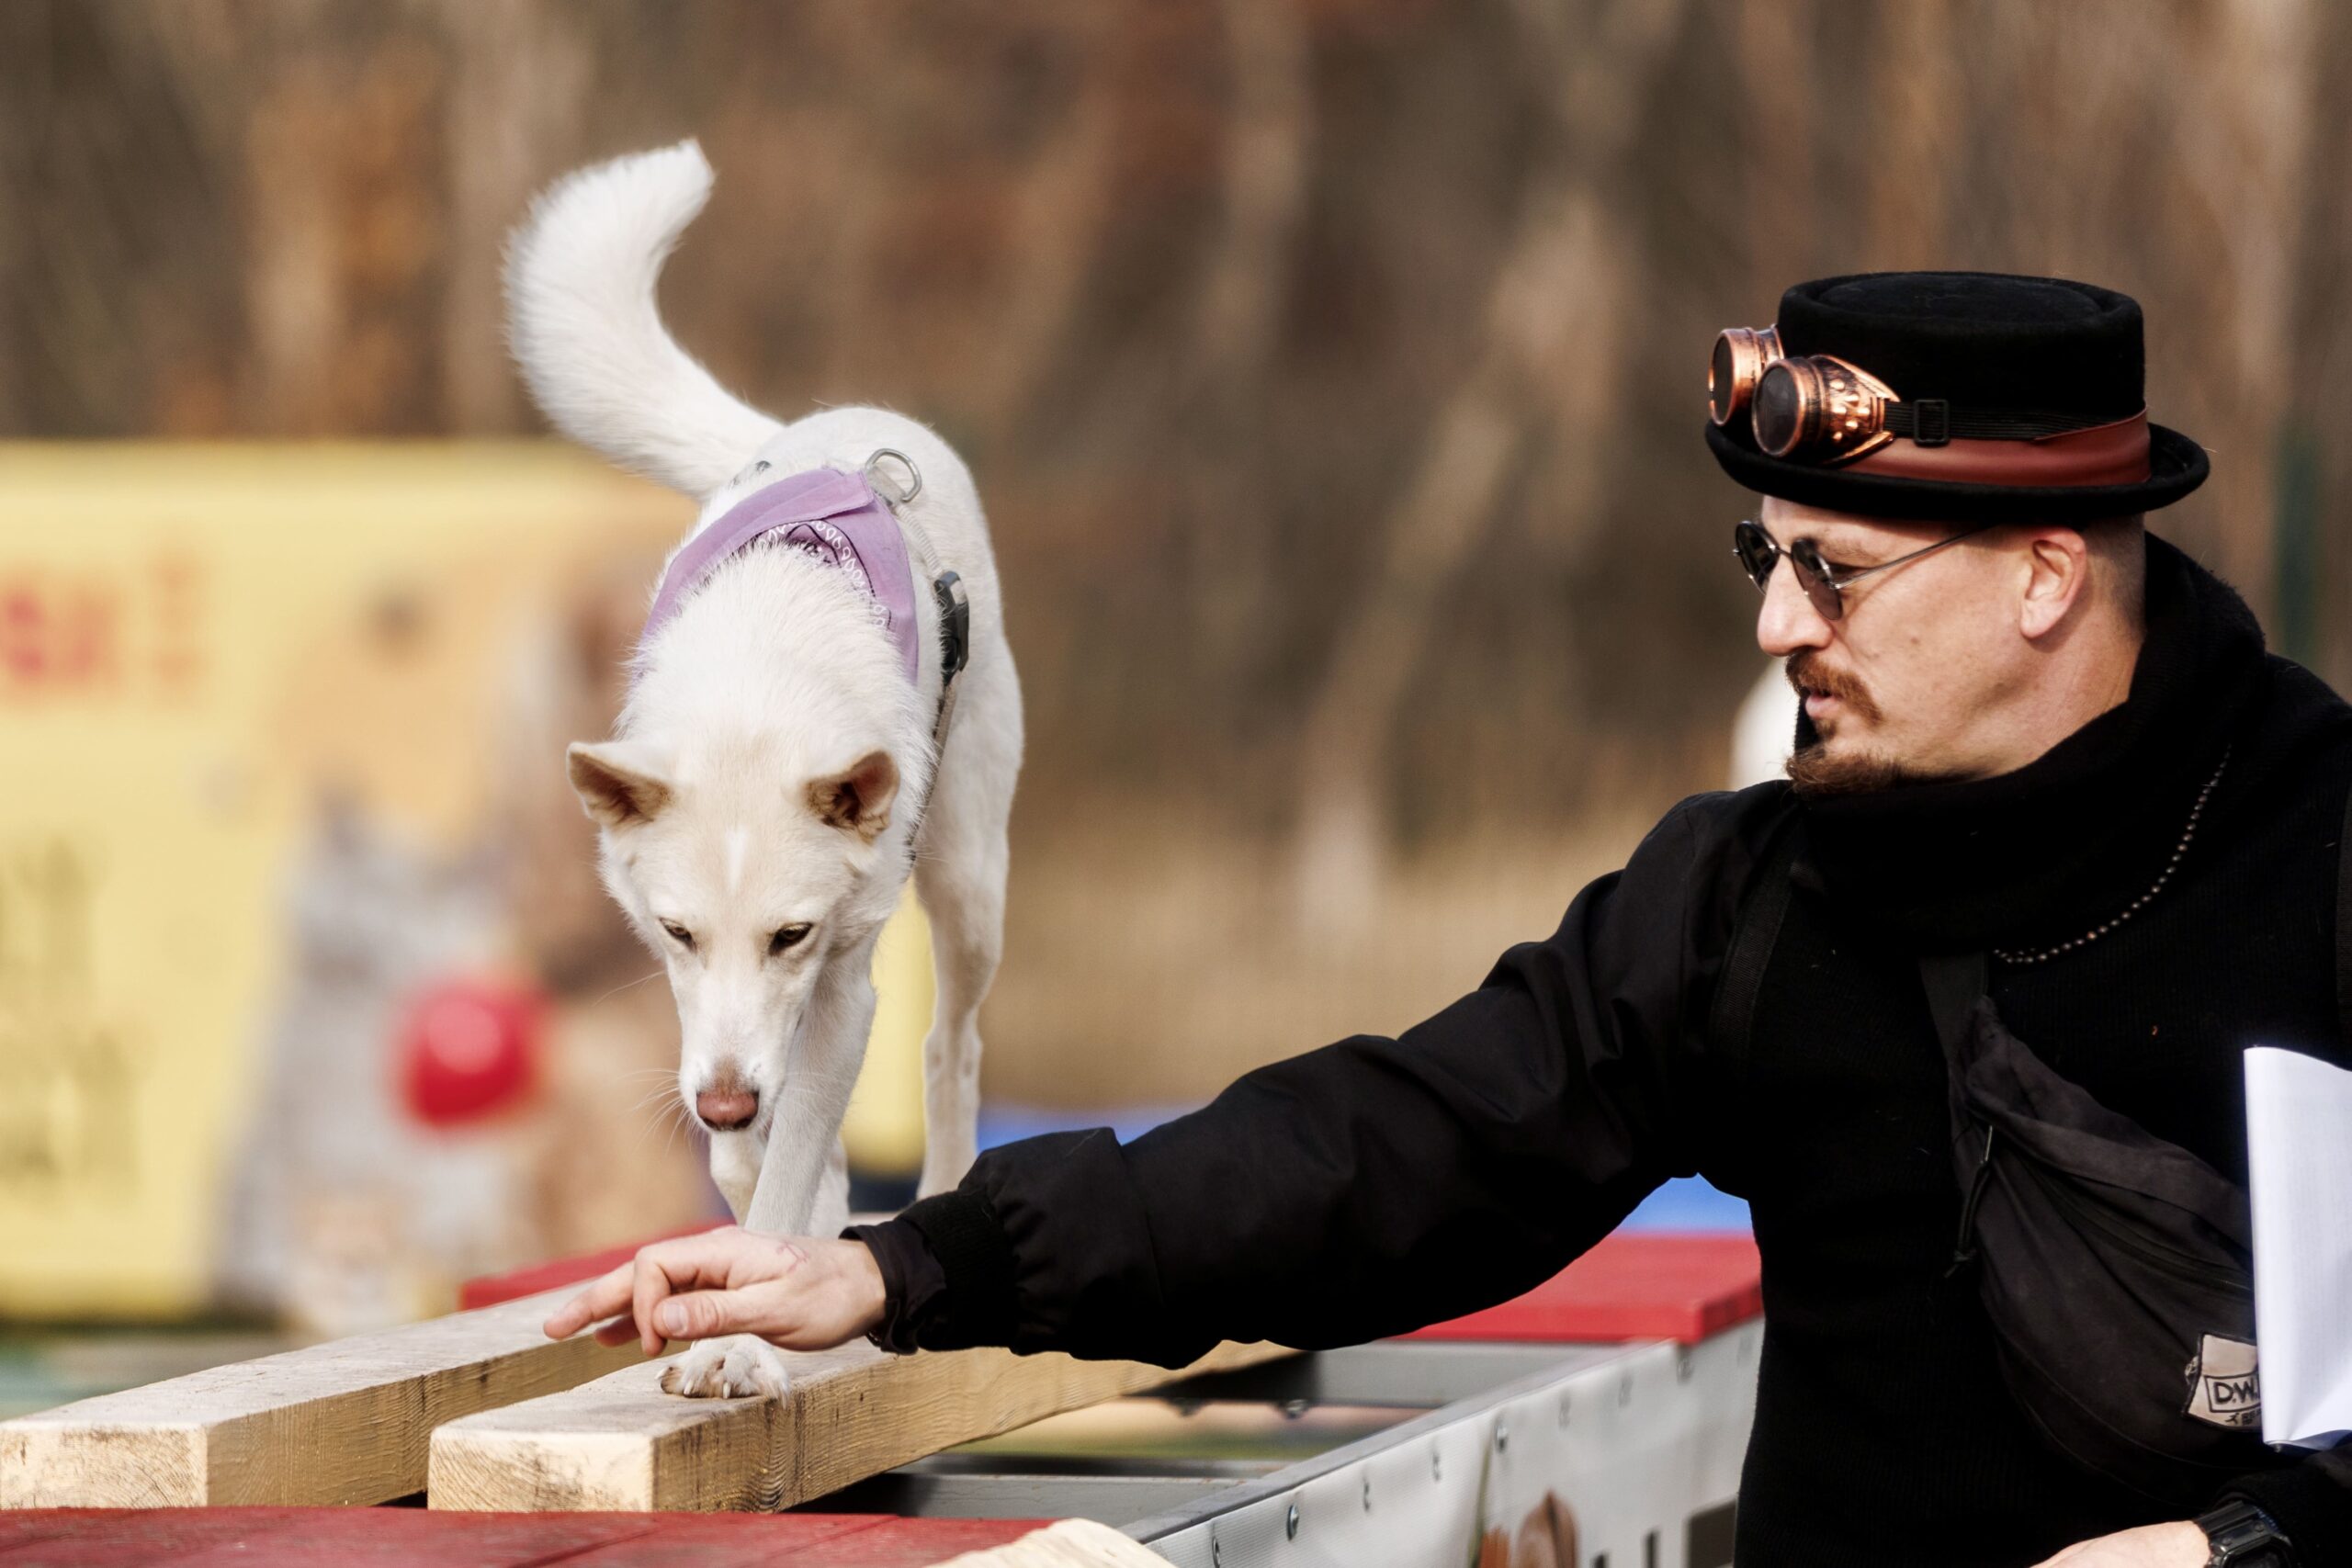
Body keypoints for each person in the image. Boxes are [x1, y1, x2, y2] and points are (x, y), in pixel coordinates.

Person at [544, 273, 2351, 1568]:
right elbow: (1390, 1148)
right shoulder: (1744, 894)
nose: (1773, 629)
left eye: (1831, 570)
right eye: (1760, 559)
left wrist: (2238, 1539)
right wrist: (903, 1262)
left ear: (2043, 572)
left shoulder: (2323, 849)